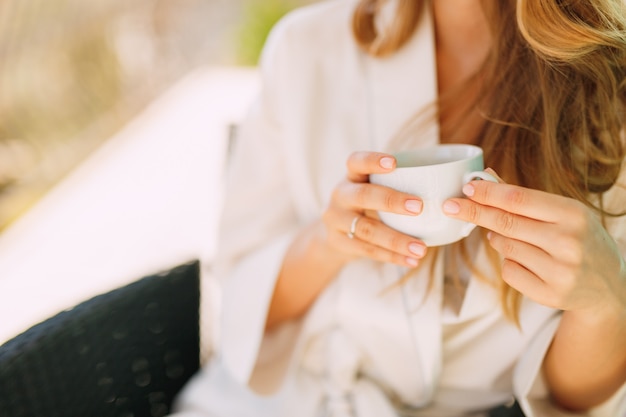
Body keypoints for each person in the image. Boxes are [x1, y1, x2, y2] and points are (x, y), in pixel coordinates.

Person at [172, 0, 626, 416]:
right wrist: (327, 243)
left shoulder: (608, 85)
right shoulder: (303, 50)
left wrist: (604, 304)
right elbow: (238, 312)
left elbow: (569, 399)